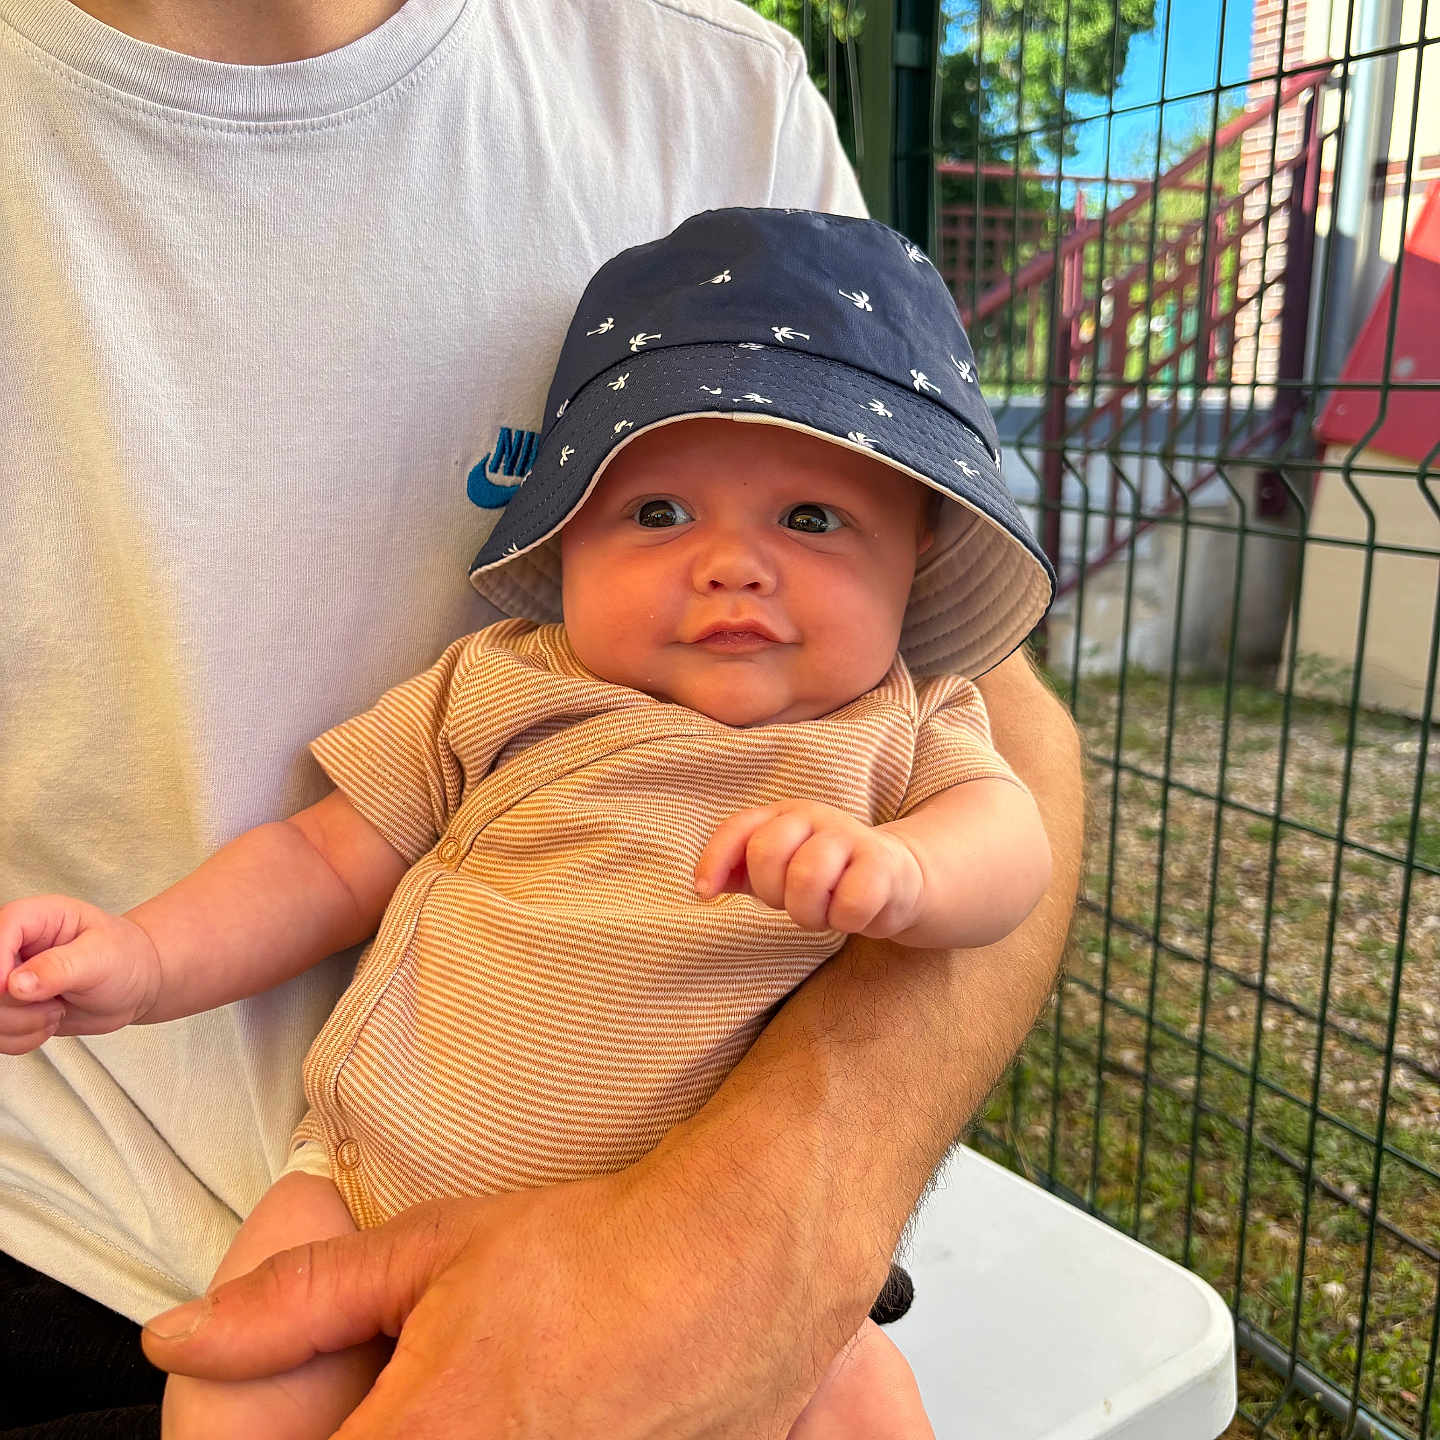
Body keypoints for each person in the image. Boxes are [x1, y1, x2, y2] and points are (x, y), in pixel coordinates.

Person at [0, 2, 1084, 1437]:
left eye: (813, 519)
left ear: (918, 559)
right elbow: (323, 860)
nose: (730, 564)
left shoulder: (903, 725)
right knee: (236, 1371)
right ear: (564, 536)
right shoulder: (511, 684)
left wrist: (908, 875)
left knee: (866, 1409)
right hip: (372, 1174)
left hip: (698, 1220)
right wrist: (143, 956)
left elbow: (1013, 837)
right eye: (658, 511)